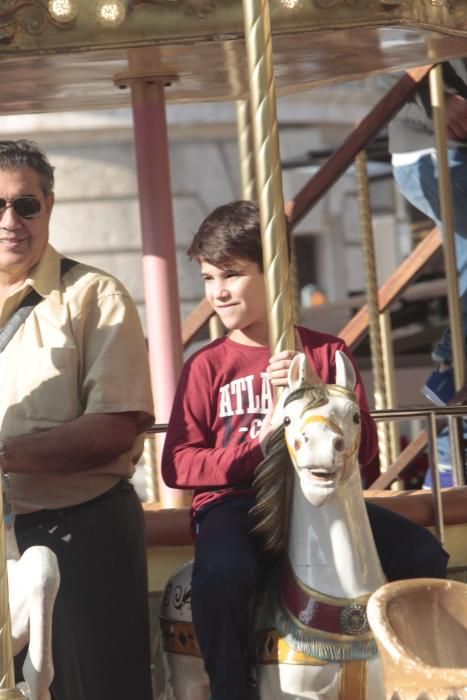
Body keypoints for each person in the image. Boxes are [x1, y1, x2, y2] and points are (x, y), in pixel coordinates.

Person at [161, 200, 449, 700]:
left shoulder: (327, 353)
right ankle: (231, 687)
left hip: (323, 504)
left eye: (232, 274)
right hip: (237, 503)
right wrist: (257, 448)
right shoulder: (207, 366)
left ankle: (407, 670)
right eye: (209, 278)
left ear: (274, 273)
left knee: (423, 552)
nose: (218, 292)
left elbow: (367, 460)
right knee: (222, 574)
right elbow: (178, 464)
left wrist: (317, 394)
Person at [0, 140, 154, 700]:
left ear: (49, 206)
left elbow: (114, 426)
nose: (10, 220)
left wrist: (4, 459)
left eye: (25, 206)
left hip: (78, 529)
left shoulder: (94, 296)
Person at [384, 59, 467, 484]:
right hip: (433, 143)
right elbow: (378, 44)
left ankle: (450, 368)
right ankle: (450, 373)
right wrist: (433, 102)